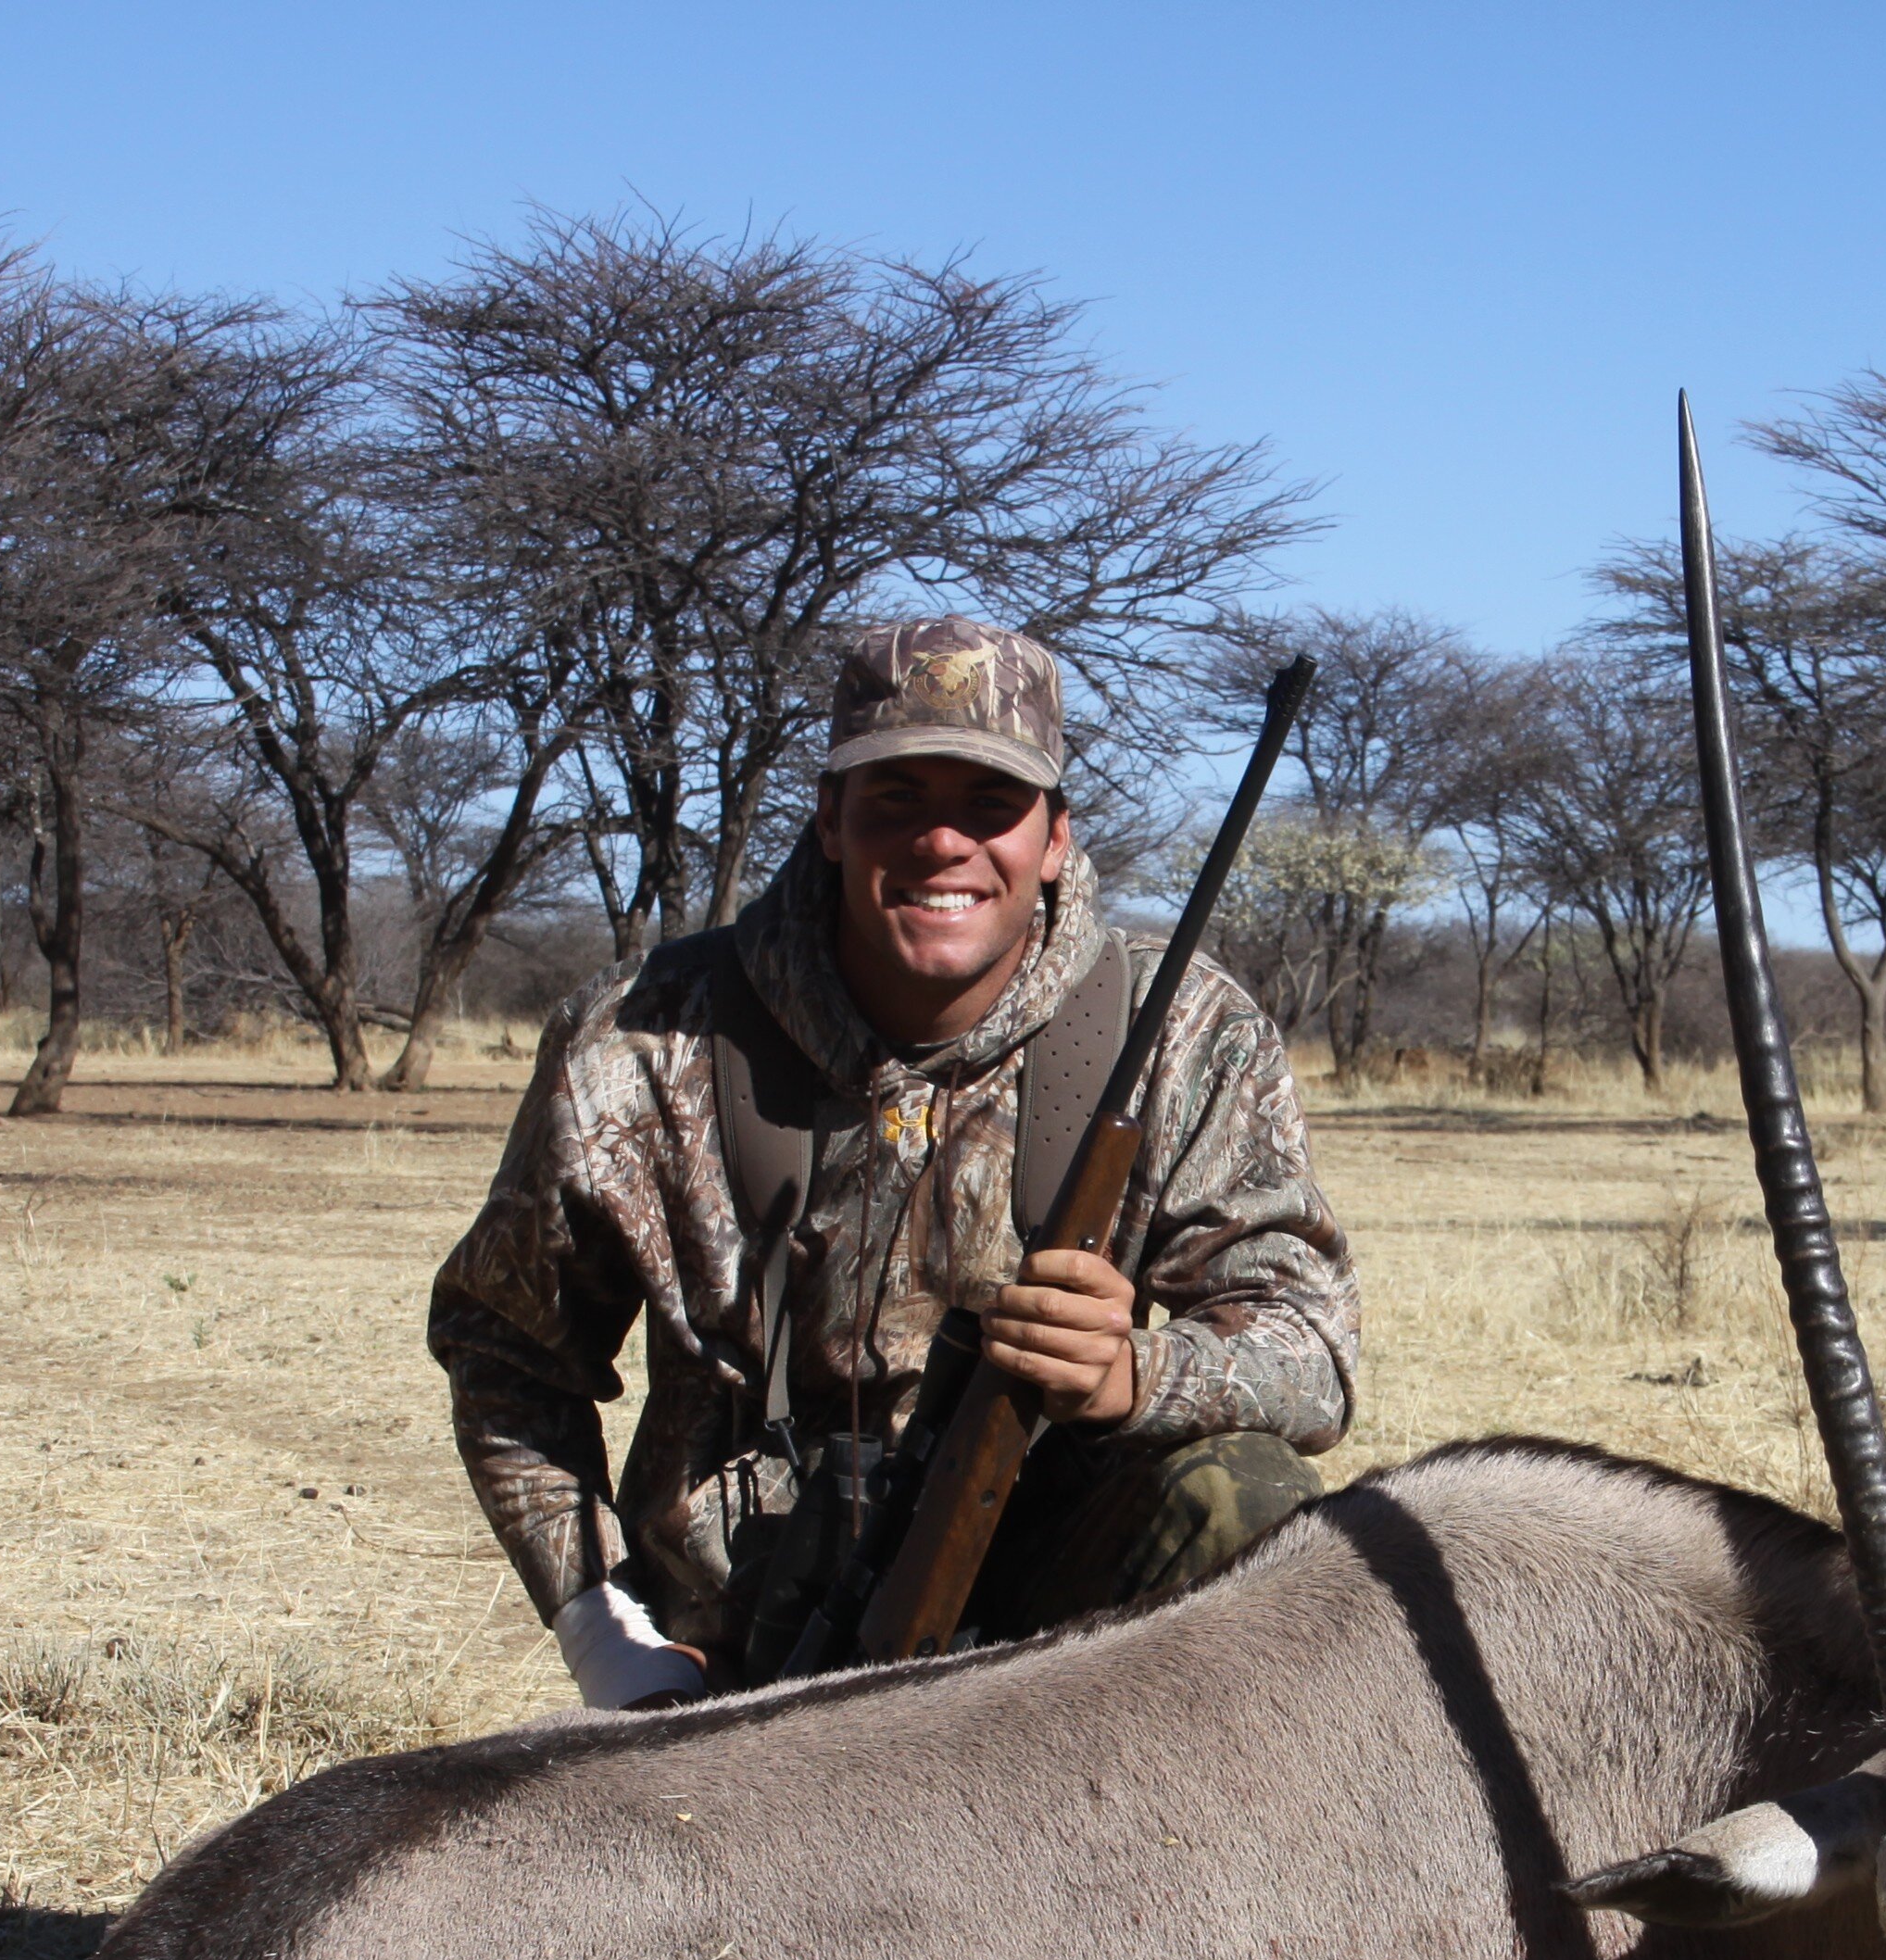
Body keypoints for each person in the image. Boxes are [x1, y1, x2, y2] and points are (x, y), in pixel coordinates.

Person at [434, 618, 1355, 1708]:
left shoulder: (1189, 1027)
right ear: (830, 820)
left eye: (989, 806)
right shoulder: (639, 1034)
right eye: (897, 801)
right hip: (739, 1663)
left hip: (1074, 1656)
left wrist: (1133, 1377)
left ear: (1056, 837)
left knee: (1250, 1496)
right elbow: (505, 1352)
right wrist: (608, 1638)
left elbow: (1313, 1353)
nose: (943, 845)